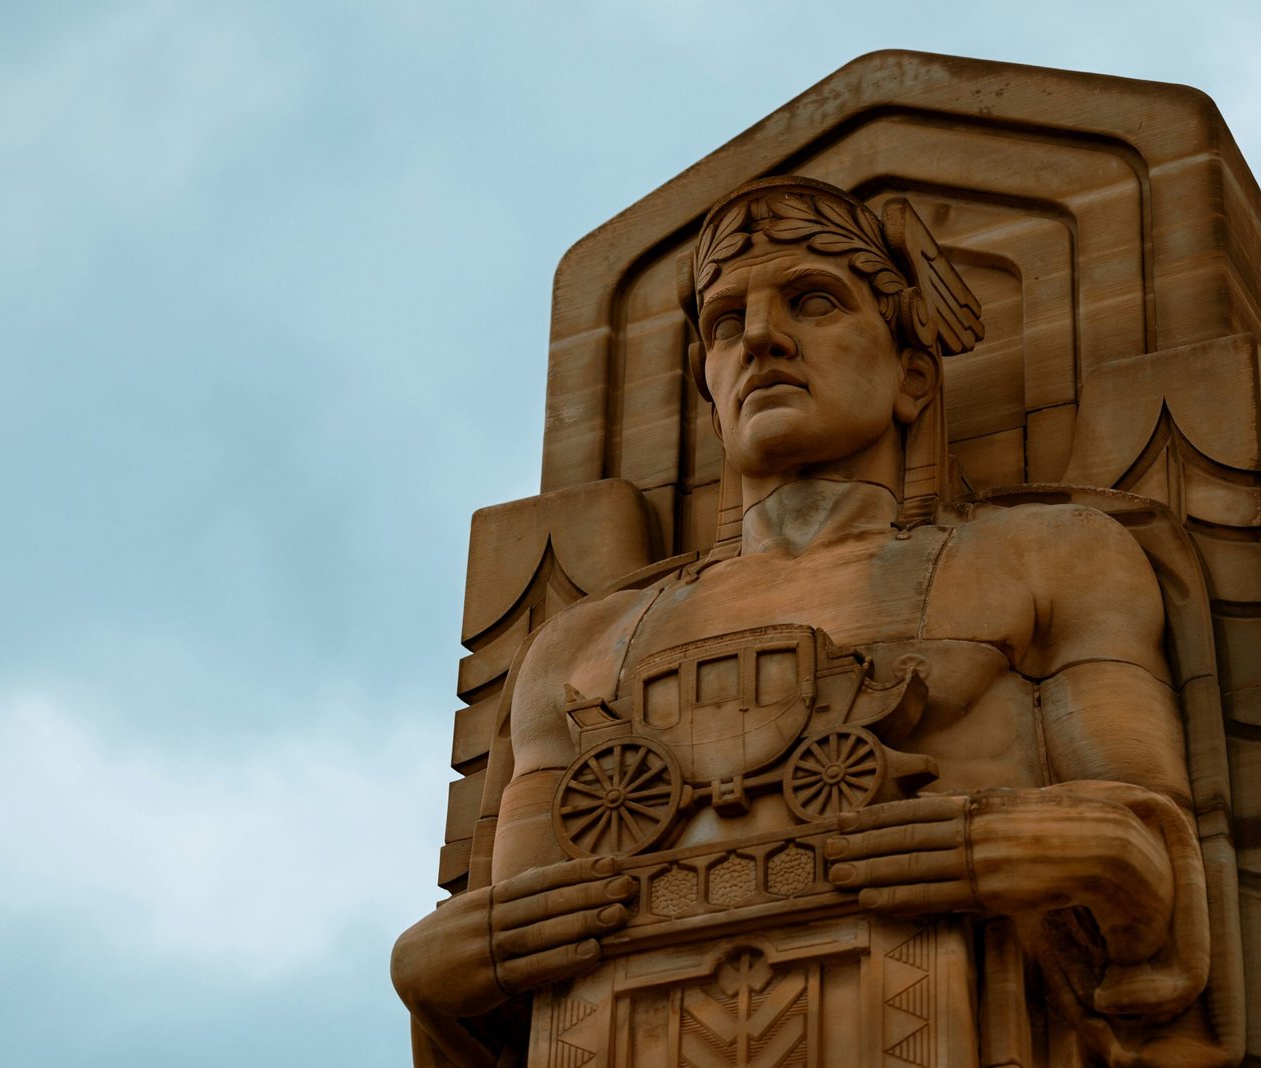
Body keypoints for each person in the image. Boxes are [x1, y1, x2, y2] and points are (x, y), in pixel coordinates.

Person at [394, 177, 1214, 1067]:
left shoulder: (1046, 557)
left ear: (910, 375)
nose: (762, 339)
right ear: (707, 391)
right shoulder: (580, 645)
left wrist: (978, 849)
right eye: (723, 323)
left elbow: (1151, 863)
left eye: (814, 301)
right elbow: (505, 953)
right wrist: (428, 966)